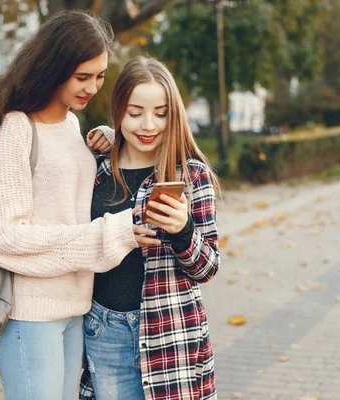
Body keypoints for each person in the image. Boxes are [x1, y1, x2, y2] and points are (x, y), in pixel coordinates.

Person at [0, 11, 160, 400]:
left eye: (100, 76)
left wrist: (114, 143)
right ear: (54, 68)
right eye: (82, 77)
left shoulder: (73, 126)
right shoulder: (16, 129)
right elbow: (4, 236)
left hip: (75, 305)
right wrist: (110, 234)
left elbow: (69, 196)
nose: (93, 87)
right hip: (30, 311)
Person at [79, 56, 221, 400]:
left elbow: (208, 267)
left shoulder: (190, 176)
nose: (148, 125)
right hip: (104, 330)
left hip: (171, 329)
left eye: (160, 113)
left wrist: (184, 231)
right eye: (134, 112)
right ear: (118, 111)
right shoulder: (95, 169)